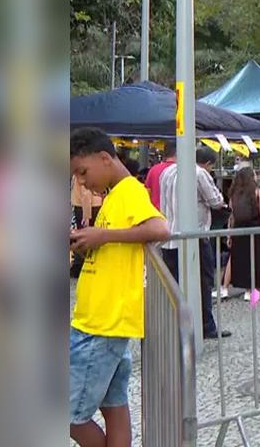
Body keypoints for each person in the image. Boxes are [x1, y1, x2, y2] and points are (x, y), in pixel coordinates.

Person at [68, 128, 170, 447]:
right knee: (114, 407)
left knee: (68, 414)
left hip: (102, 324)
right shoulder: (114, 195)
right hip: (102, 321)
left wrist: (102, 236)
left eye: (82, 172)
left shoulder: (129, 191)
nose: (81, 182)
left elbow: (160, 228)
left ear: (104, 159)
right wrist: (91, 242)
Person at [158, 145, 229, 337]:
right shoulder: (199, 174)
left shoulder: (167, 172)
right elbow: (215, 200)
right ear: (207, 163)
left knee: (174, 284)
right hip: (195, 237)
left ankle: (175, 327)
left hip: (170, 236)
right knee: (203, 282)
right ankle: (206, 325)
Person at [226, 167, 260, 299]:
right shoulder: (258, 193)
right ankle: (254, 292)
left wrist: (229, 234)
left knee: (244, 259)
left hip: (239, 230)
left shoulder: (234, 195)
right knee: (256, 258)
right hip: (256, 229)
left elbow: (232, 215)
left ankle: (246, 290)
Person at [144, 140, 176, 209]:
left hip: (156, 214)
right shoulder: (184, 172)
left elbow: (147, 193)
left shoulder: (153, 170)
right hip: (177, 215)